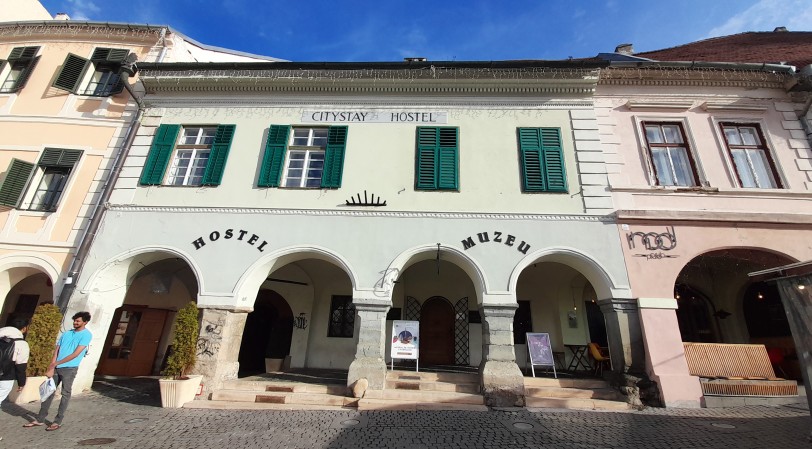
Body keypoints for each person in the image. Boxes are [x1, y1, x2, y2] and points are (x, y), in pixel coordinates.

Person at [24, 311, 92, 431]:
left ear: (85, 322)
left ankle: (57, 421)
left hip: (70, 368)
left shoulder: (86, 335)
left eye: (78, 321)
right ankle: (40, 418)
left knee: (65, 394)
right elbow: (57, 349)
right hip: (56, 366)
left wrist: (58, 363)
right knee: (48, 392)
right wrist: (52, 364)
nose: (75, 323)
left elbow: (76, 353)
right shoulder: (66, 333)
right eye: (75, 320)